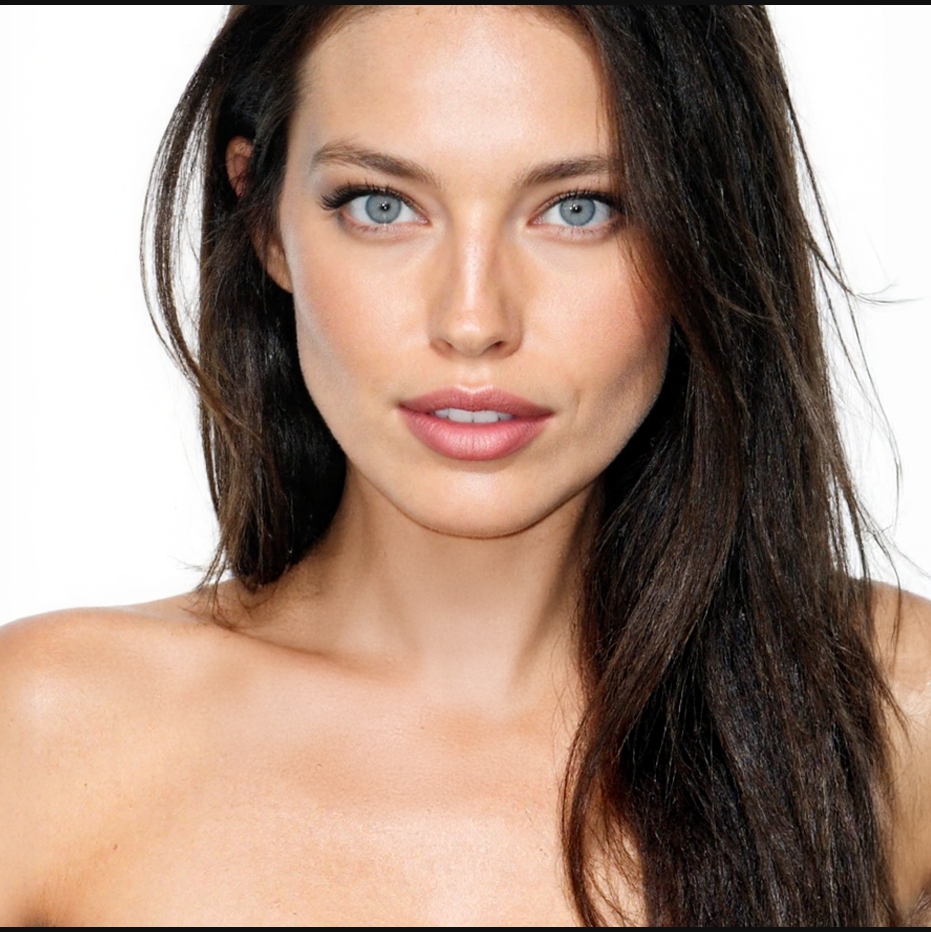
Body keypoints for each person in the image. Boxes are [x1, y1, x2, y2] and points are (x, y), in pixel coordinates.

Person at [1, 5, 929, 925]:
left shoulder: (897, 717)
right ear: (266, 223)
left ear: (705, 230)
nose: (473, 320)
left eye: (580, 209)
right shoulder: (47, 737)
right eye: (381, 206)